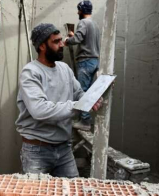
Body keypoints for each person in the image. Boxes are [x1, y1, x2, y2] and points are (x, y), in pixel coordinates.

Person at [15, 23, 102, 178]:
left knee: (72, 190)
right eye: (56, 42)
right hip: (37, 151)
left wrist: (91, 98)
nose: (62, 44)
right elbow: (40, 110)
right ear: (42, 46)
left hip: (64, 149)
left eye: (61, 40)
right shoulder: (30, 72)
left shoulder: (65, 69)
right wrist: (79, 106)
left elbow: (79, 93)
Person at [65, 0, 100, 131]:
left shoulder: (83, 22)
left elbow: (78, 40)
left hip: (85, 61)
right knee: (90, 92)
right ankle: (86, 120)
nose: (77, 12)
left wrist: (67, 40)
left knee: (83, 91)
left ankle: (85, 121)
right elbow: (85, 39)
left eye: (78, 9)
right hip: (94, 61)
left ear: (82, 10)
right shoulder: (94, 24)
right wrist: (75, 35)